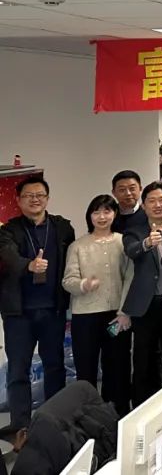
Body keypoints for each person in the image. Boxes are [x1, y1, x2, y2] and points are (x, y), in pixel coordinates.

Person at [0, 177, 75, 430]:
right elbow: (8, 256)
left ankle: (54, 422)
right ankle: (20, 425)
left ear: (47, 198)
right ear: (19, 200)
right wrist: (29, 265)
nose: (35, 199)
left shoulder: (62, 227)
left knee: (54, 366)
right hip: (18, 312)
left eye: (40, 195)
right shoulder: (8, 230)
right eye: (29, 195)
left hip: (53, 309)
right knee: (18, 370)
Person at [63, 195, 132, 416]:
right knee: (86, 370)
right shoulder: (78, 246)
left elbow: (130, 279)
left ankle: (117, 415)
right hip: (86, 317)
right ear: (90, 216)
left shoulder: (123, 242)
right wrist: (83, 284)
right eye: (96, 212)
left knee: (117, 368)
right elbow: (68, 281)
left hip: (116, 316)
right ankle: (89, 418)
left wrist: (125, 311)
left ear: (115, 214)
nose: (102, 217)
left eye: (107, 211)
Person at [122, 182, 162, 406]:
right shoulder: (134, 231)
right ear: (144, 205)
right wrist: (147, 243)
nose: (157, 205)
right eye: (151, 201)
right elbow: (131, 250)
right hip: (147, 306)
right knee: (145, 361)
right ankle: (144, 407)